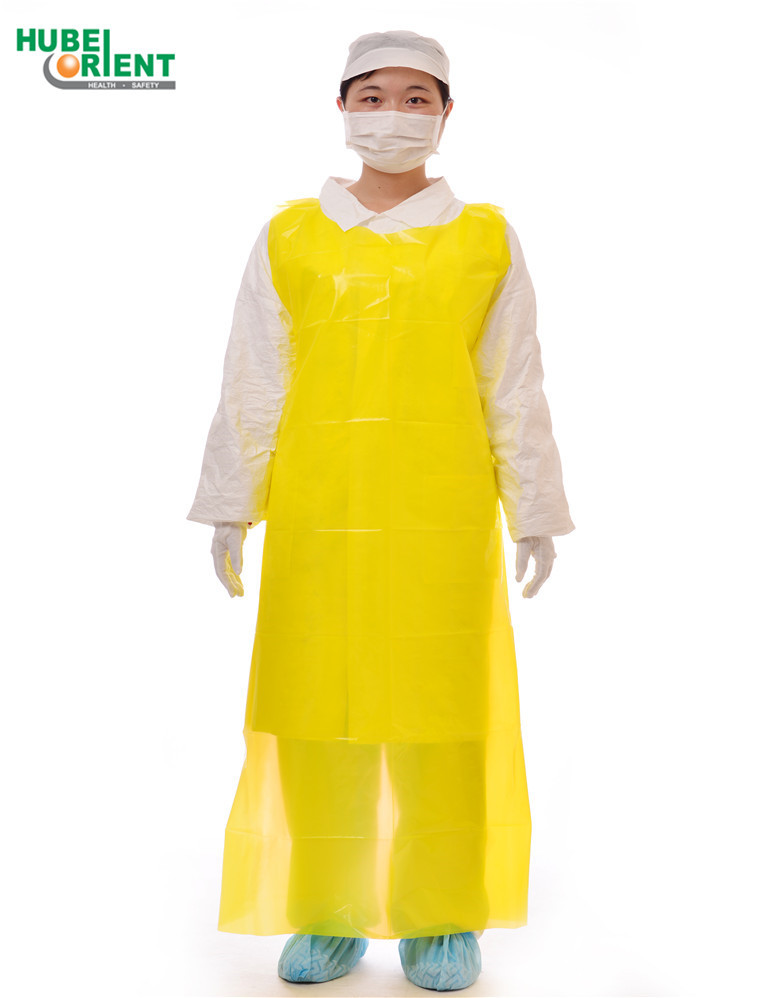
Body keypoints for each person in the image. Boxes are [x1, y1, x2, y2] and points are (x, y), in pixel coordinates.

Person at [187, 29, 575, 993]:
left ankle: (441, 916)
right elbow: (255, 376)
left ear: (446, 114)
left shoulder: (483, 238)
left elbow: (512, 381)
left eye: (415, 98)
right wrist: (233, 503)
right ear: (341, 107)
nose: (393, 115)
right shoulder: (291, 235)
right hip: (319, 510)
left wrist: (534, 506)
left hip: (441, 512)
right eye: (373, 96)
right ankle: (329, 908)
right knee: (321, 709)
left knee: (440, 709)